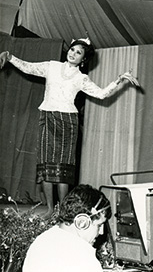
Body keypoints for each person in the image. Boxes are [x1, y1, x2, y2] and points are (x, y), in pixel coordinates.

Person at [0, 38, 136, 219]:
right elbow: (28, 67)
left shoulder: (82, 78)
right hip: (47, 116)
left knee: (63, 169)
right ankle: (50, 209)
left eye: (78, 52)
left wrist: (119, 80)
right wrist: (10, 57)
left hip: (68, 121)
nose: (73, 53)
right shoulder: (52, 66)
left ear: (83, 59)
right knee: (46, 165)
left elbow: (102, 94)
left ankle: (63, 210)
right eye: (72, 49)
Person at [23, 184, 112, 272]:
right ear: (82, 222)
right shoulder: (82, 256)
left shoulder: (42, 240)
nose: (101, 232)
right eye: (99, 225)